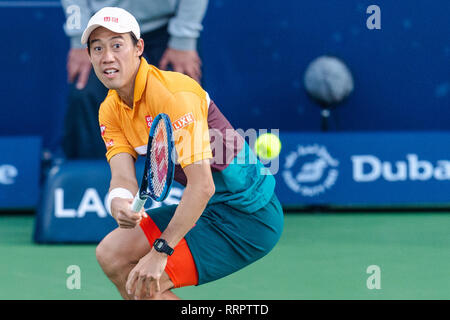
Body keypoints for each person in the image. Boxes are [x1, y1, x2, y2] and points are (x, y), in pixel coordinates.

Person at [84, 7, 284, 300]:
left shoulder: (174, 95)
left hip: (248, 217)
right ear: (89, 56)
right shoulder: (110, 109)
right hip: (206, 208)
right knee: (111, 254)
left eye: (117, 45)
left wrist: (161, 250)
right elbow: (122, 177)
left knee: (145, 283)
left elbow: (203, 185)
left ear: (138, 47)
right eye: (97, 48)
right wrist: (119, 204)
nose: (107, 57)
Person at [61, 0, 208, 159]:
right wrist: (79, 38)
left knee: (184, 99)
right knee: (85, 97)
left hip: (168, 30)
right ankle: (90, 179)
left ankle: (189, 178)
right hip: (102, 27)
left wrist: (184, 40)